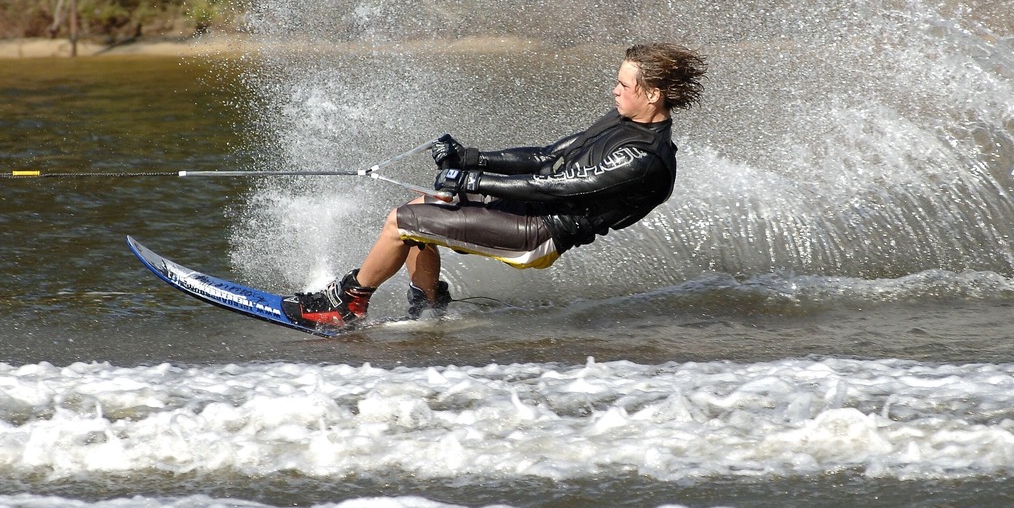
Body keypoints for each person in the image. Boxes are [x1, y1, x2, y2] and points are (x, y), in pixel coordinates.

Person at [282, 42, 708, 330]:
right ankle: (429, 307)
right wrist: (470, 158)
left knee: (401, 221)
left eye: (623, 85)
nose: (614, 90)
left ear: (652, 95)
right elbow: (546, 157)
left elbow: (556, 187)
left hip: (539, 234)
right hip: (526, 213)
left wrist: (476, 181)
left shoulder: (644, 158)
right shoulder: (622, 120)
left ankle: (346, 304)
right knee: (423, 206)